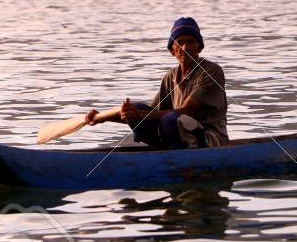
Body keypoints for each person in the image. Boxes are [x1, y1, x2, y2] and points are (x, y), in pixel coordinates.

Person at [85, 16, 229, 148]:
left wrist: (139, 114)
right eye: (179, 43)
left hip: (210, 139)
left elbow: (187, 111)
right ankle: (168, 151)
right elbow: (151, 113)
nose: (185, 47)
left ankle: (177, 153)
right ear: (172, 51)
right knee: (139, 108)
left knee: (170, 119)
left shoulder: (211, 71)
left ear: (199, 47)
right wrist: (103, 118)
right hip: (180, 137)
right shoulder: (170, 76)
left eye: (190, 41)